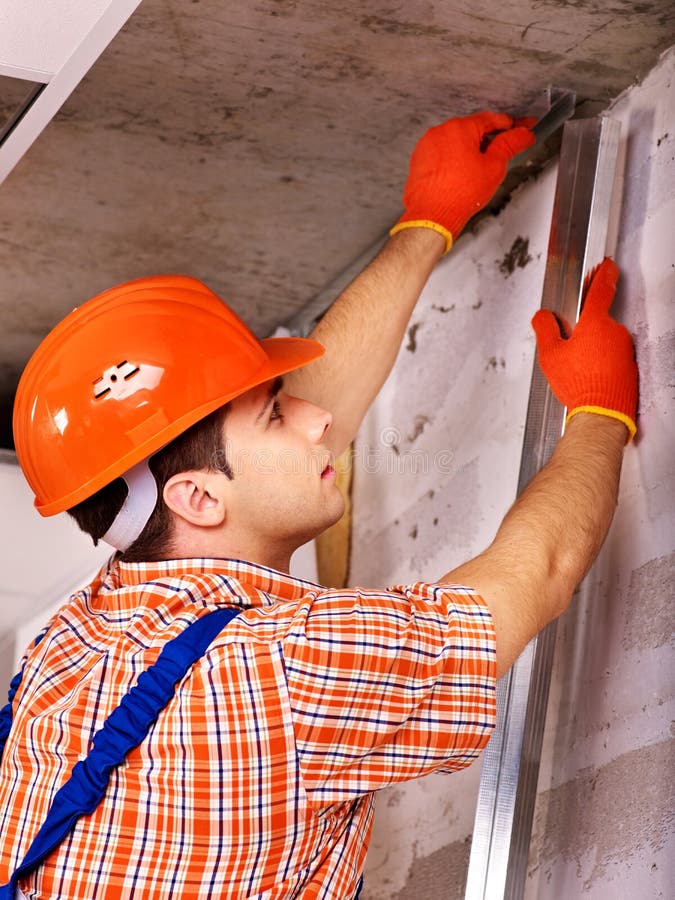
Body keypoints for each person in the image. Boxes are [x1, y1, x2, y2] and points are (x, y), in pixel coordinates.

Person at [0, 111, 637, 899]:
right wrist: (599, 417)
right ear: (193, 499)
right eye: (277, 413)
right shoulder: (283, 667)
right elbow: (536, 573)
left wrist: (426, 224)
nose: (317, 420)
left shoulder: (77, 643)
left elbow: (249, 464)